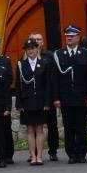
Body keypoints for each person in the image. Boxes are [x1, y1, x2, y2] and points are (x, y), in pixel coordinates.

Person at [50, 25, 87, 164]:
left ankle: (81, 153)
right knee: (68, 126)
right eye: (67, 36)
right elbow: (54, 78)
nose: (69, 38)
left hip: (81, 96)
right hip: (65, 97)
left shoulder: (85, 54)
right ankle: (71, 154)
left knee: (81, 126)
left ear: (78, 37)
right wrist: (56, 97)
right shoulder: (59, 54)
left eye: (72, 36)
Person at [15, 36, 53, 165]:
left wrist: (47, 102)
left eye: (32, 48)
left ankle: (39, 156)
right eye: (28, 49)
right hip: (27, 102)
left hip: (40, 101)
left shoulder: (44, 63)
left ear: (37, 49)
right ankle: (33, 156)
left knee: (40, 129)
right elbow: (18, 86)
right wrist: (19, 103)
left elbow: (48, 85)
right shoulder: (21, 65)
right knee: (30, 130)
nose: (30, 51)